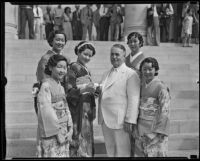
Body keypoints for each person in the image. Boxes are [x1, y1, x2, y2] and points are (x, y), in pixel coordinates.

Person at [98, 44, 140, 157]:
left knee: (123, 153)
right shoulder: (105, 73)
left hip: (121, 121)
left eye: (117, 54)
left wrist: (130, 120)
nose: (114, 57)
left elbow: (134, 98)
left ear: (124, 56)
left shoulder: (131, 74)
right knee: (110, 151)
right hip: (105, 120)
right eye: (112, 54)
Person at [63, 41, 97, 157]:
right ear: (78, 52)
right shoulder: (72, 68)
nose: (87, 57)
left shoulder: (86, 69)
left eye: (90, 56)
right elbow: (69, 91)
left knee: (86, 135)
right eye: (85, 54)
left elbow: (88, 89)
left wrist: (94, 91)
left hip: (86, 108)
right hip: (77, 108)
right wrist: (84, 88)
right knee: (77, 136)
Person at [36, 54, 73, 157]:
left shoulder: (61, 87)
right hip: (52, 131)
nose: (62, 70)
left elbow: (66, 108)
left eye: (65, 68)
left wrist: (70, 128)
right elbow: (45, 110)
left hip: (63, 129)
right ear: (51, 67)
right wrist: (57, 133)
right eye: (59, 67)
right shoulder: (46, 85)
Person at [134, 57, 170, 157]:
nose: (147, 72)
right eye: (144, 69)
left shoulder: (161, 87)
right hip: (142, 127)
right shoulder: (141, 86)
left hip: (155, 129)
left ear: (156, 70)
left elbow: (165, 111)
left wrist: (157, 133)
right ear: (141, 70)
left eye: (150, 69)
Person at [34, 30, 69, 114]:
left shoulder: (66, 59)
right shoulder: (46, 58)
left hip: (62, 95)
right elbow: (42, 78)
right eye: (57, 39)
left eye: (62, 40)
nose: (60, 42)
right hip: (50, 96)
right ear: (51, 41)